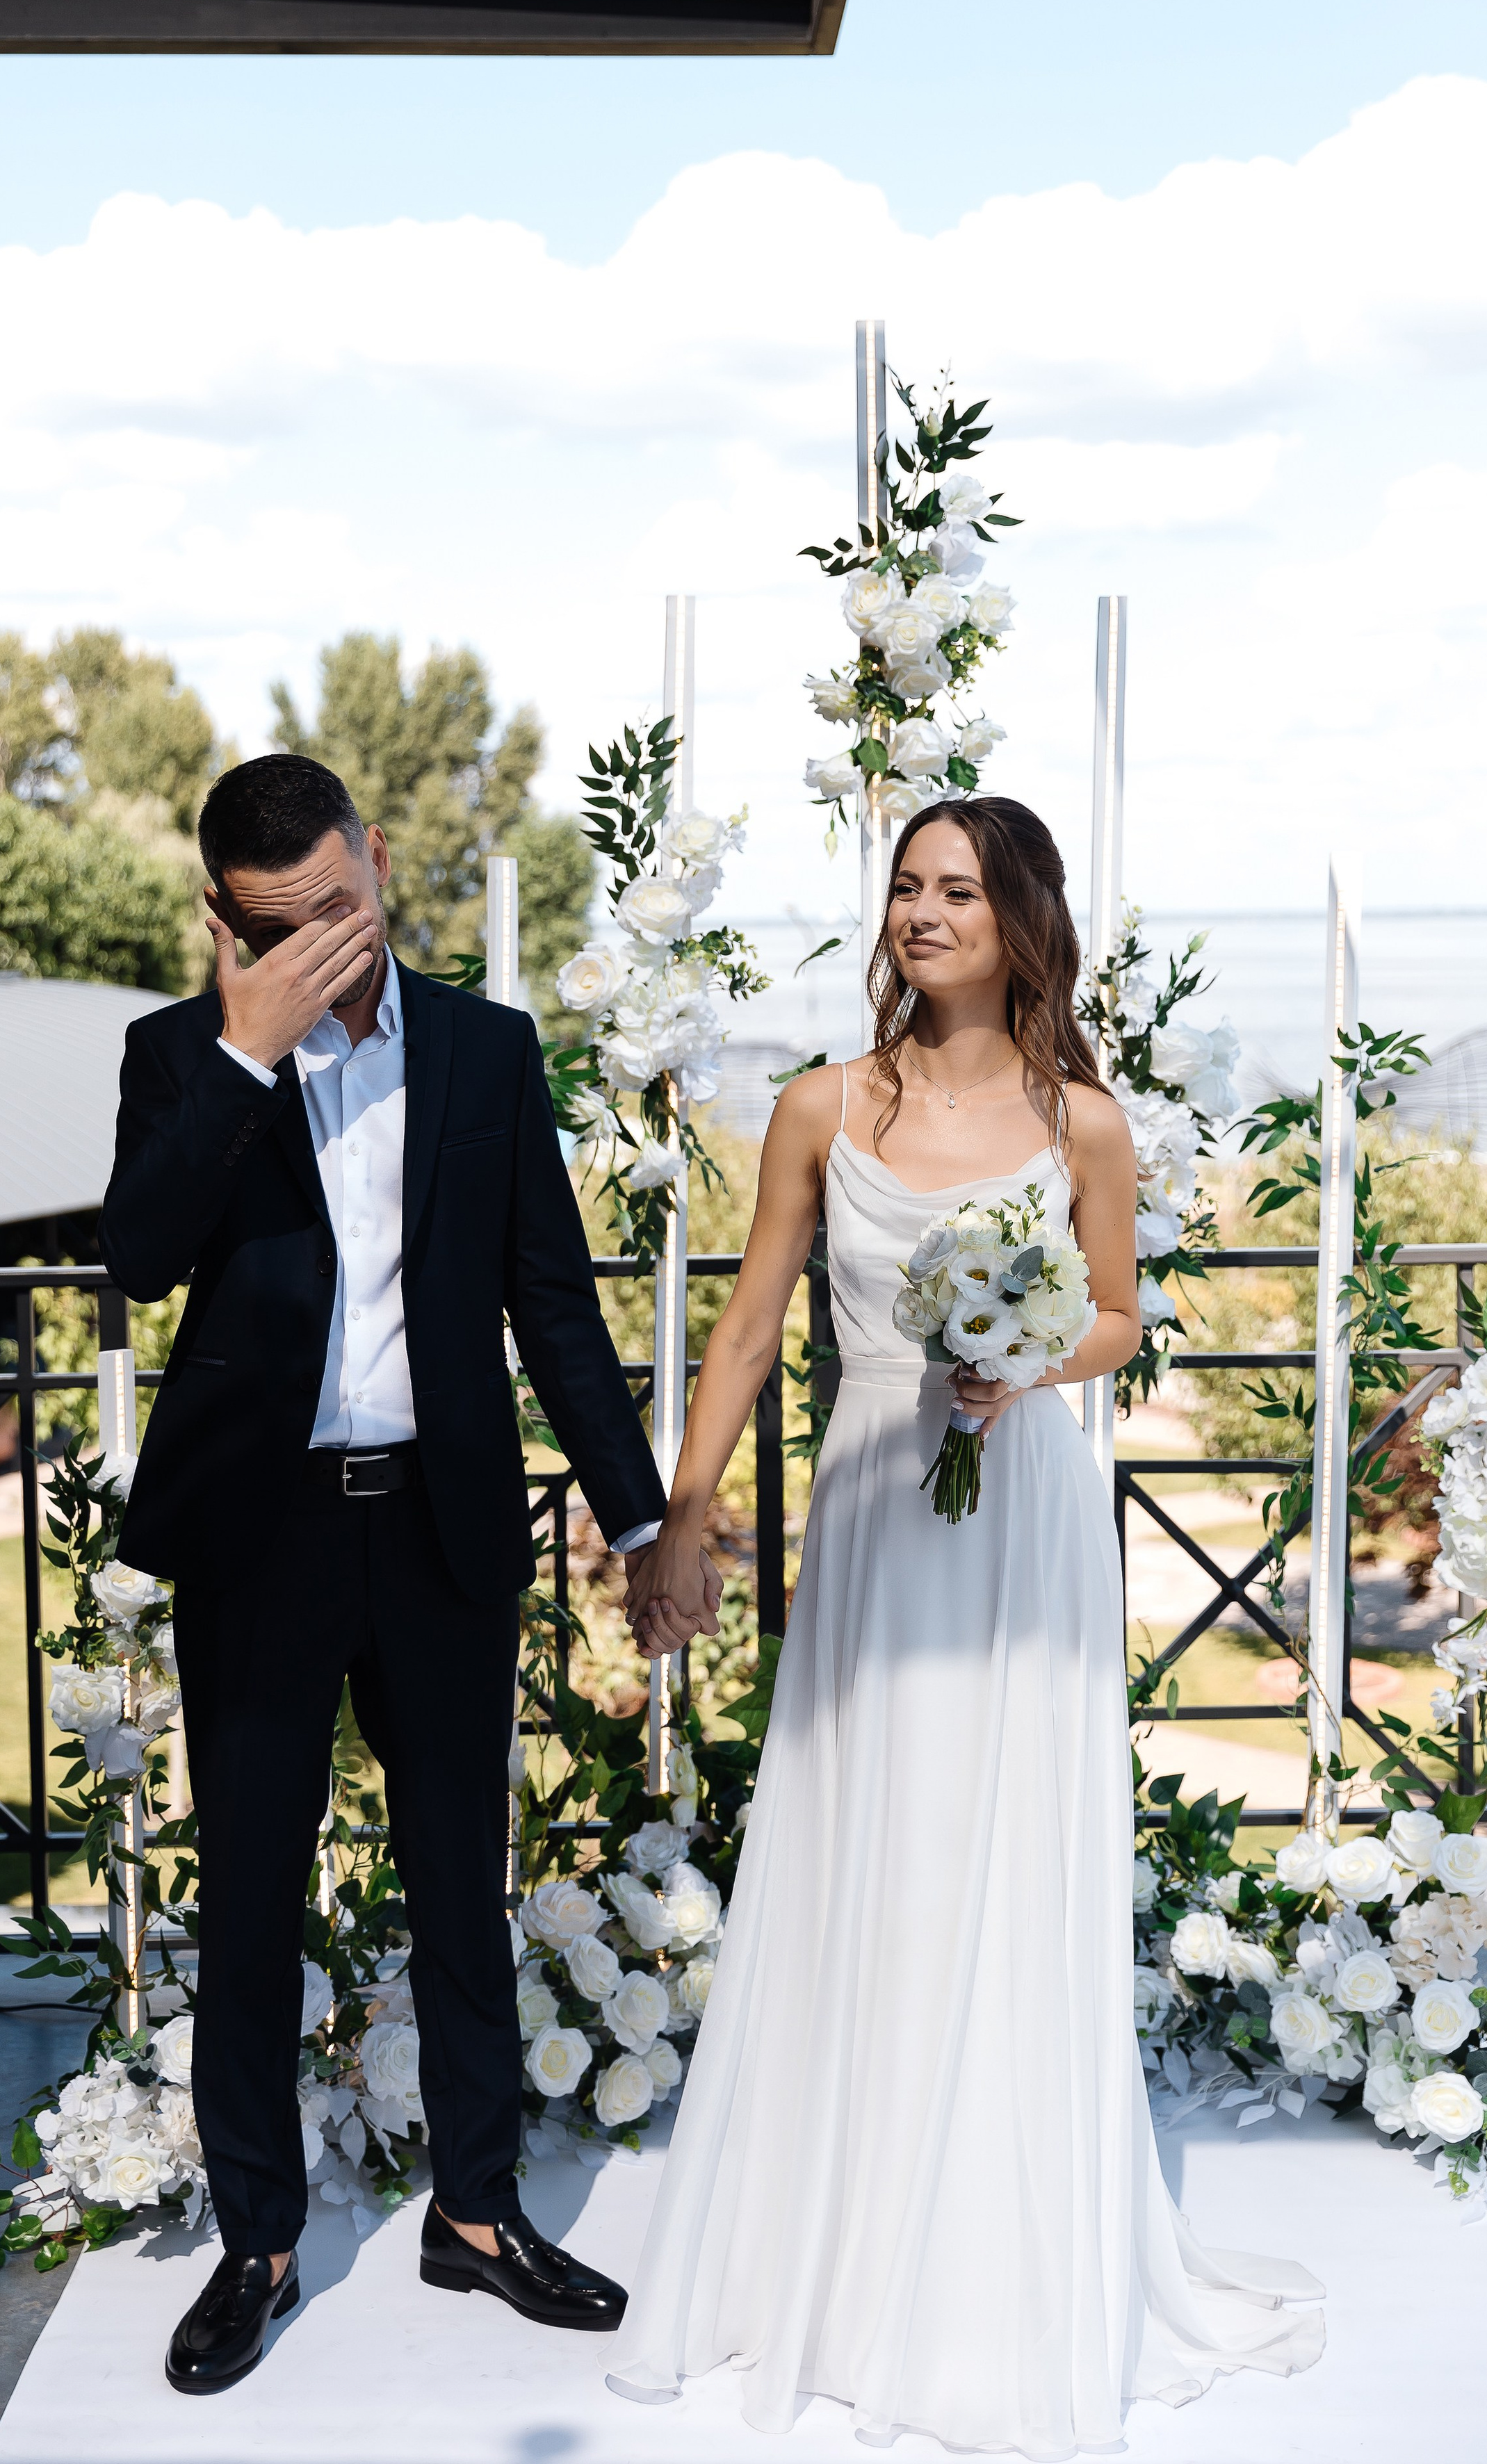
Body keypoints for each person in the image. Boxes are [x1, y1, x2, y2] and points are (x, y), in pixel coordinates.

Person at [607, 797, 1324, 2453]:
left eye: (957, 891)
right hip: (869, 1515)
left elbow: (1124, 1314)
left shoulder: (1083, 1120)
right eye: (906, 888)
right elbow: (743, 1331)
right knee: (867, 1842)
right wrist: (686, 1514)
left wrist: (1039, 1352)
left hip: (1022, 1525)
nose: (922, 914)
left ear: (1016, 922)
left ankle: (989, 2251)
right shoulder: (816, 1105)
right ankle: (837, 2254)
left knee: (998, 1853)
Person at [98, 753, 667, 2395]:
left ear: (384, 861)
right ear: (227, 923)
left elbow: (549, 1301)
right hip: (256, 1544)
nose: (328, 944)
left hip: (439, 1526)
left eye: (344, 906)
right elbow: (137, 1261)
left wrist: (637, 1523)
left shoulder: (489, 1050)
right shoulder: (179, 1057)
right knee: (254, 1895)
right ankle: (258, 2243)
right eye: (285, 928)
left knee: (457, 1891)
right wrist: (245, 1052)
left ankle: (476, 2218)